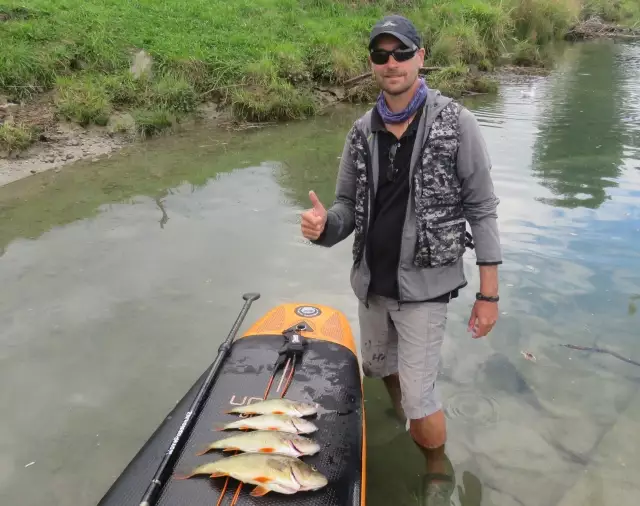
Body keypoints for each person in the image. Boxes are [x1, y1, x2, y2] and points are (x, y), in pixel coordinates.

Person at [300, 13, 502, 505]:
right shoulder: (360, 131)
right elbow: (347, 206)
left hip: (426, 291)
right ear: (372, 65)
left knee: (420, 394)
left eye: (401, 53)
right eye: (380, 55)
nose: (391, 63)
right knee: (377, 366)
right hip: (372, 285)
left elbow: (482, 209)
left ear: (420, 57)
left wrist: (488, 294)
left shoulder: (458, 123)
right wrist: (325, 227)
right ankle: (397, 418)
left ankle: (435, 466)